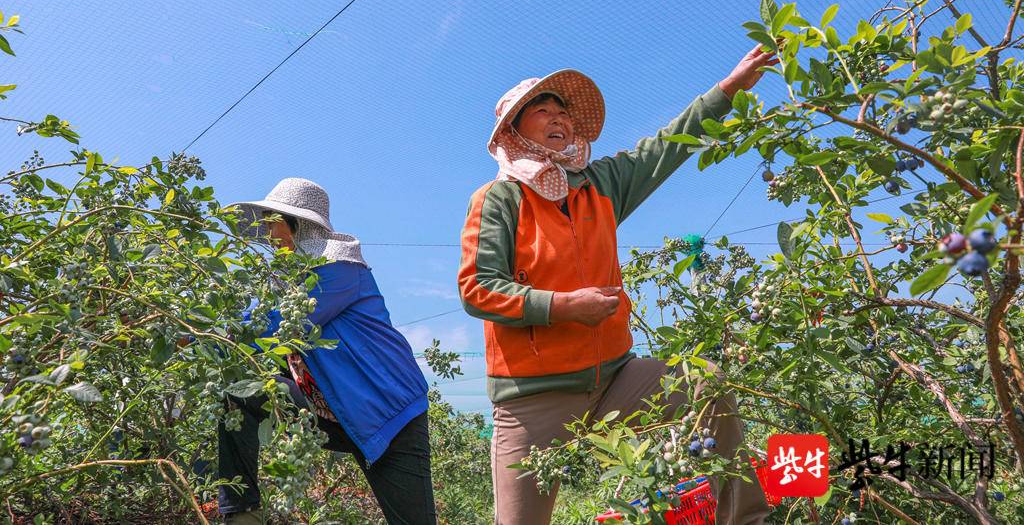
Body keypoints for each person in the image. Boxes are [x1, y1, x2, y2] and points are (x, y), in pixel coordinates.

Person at [457, 46, 777, 524]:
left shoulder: (598, 185)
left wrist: (727, 90)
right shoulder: (499, 199)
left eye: (562, 110)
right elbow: (477, 288)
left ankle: (747, 520)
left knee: (702, 382)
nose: (557, 117)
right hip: (533, 398)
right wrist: (563, 305)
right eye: (541, 110)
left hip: (616, 378)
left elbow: (664, 148)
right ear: (513, 131)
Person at [220, 178, 436, 525]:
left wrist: (215, 332)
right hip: (331, 412)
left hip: (389, 417)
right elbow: (251, 327)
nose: (269, 237)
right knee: (236, 392)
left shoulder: (339, 272)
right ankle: (242, 515)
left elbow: (272, 326)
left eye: (273, 225)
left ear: (301, 227)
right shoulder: (285, 285)